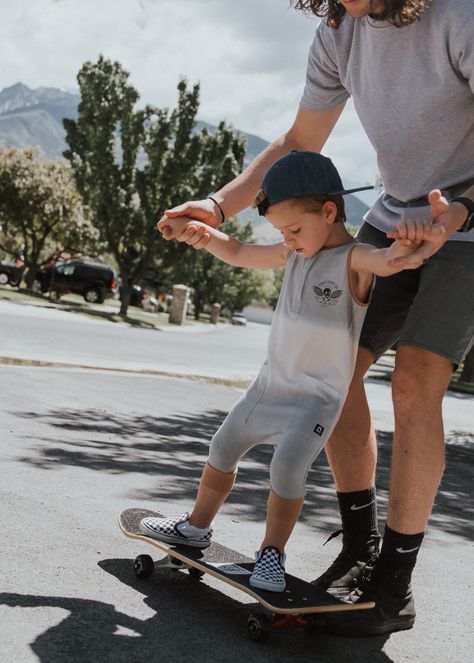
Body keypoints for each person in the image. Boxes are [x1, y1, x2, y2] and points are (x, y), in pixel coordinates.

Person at [156, 0, 474, 635]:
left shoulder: (459, 16)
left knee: (414, 383)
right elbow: (301, 142)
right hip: (394, 213)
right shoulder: (342, 31)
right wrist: (218, 208)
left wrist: (458, 212)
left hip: (468, 219)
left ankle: (394, 578)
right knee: (336, 375)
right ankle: (359, 547)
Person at [143, 150, 434, 594]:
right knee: (223, 446)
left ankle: (271, 555)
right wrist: (203, 235)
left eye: (294, 229)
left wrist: (409, 245)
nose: (289, 240)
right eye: (282, 232)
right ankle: (195, 528)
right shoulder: (293, 253)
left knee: (286, 467)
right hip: (270, 385)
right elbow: (239, 251)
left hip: (317, 397)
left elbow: (390, 262)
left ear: (330, 212)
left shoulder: (354, 259)